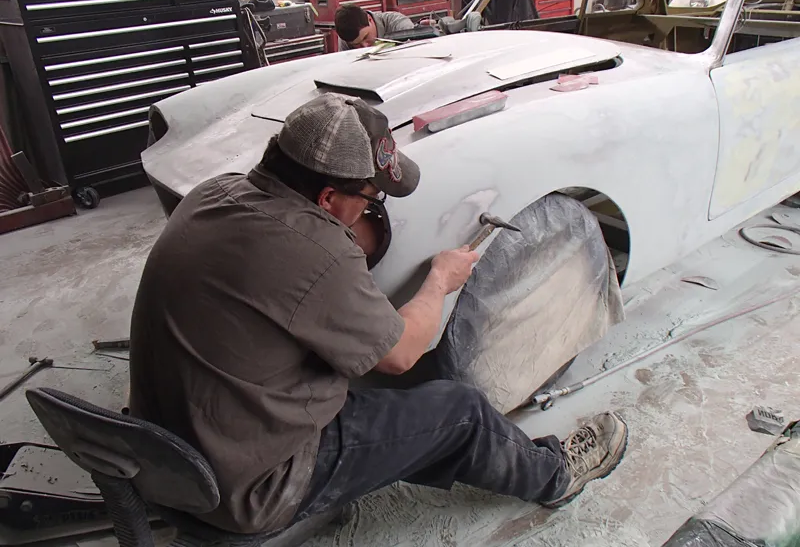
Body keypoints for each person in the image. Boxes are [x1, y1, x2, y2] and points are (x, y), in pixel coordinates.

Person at [128, 93, 629, 535]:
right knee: (460, 414)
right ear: (328, 198)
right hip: (248, 486)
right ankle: (555, 475)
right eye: (371, 196)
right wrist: (439, 281)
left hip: (160, 452)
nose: (373, 206)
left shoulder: (213, 193)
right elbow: (401, 354)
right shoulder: (315, 251)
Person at [334, 4, 414, 50]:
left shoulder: (397, 24)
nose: (365, 46)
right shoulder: (346, 38)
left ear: (369, 19)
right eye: (357, 44)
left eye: (365, 37)